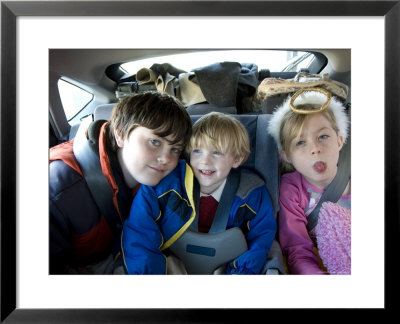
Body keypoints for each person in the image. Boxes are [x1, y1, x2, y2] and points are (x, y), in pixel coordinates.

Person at [49, 91, 192, 274]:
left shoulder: (165, 182)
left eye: (175, 149)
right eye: (155, 142)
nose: (166, 159)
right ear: (121, 134)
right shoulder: (59, 193)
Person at [119, 112, 277, 274]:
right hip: (169, 262)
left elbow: (261, 237)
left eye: (216, 152)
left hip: (227, 265)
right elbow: (140, 233)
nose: (205, 161)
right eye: (197, 151)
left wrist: (241, 272)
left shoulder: (251, 192)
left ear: (237, 159)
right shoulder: (166, 184)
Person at [267, 88, 351, 275]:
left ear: (339, 141)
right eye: (300, 142)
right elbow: (297, 249)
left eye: (323, 136)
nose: (315, 149)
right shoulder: (291, 190)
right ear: (286, 156)